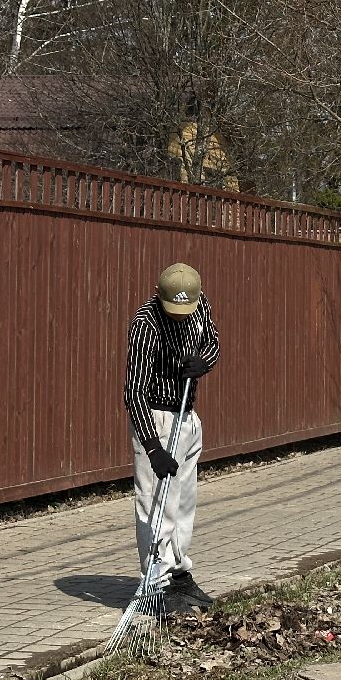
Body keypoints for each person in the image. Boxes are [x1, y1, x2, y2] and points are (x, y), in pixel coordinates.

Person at [125, 262, 220, 614]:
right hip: (157, 417)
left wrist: (203, 363)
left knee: (182, 505)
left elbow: (213, 341)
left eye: (186, 311)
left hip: (187, 415)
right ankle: (155, 584)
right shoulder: (145, 326)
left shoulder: (200, 305)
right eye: (173, 311)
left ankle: (179, 575)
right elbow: (133, 392)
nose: (180, 317)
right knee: (155, 505)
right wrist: (153, 448)